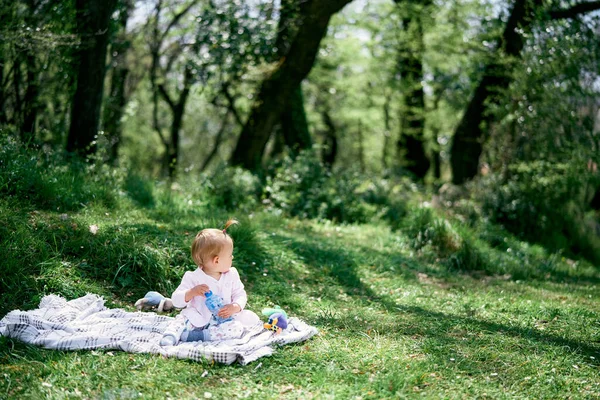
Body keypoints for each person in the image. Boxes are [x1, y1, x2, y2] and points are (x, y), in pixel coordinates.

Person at [160, 219, 259, 346]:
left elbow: (240, 293)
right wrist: (191, 292)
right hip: (198, 317)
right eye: (230, 255)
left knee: (237, 329)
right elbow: (176, 301)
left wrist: (235, 306)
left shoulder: (231, 274)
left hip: (223, 321)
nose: (232, 258)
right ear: (217, 260)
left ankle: (198, 336)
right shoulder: (193, 277)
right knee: (181, 319)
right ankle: (171, 335)